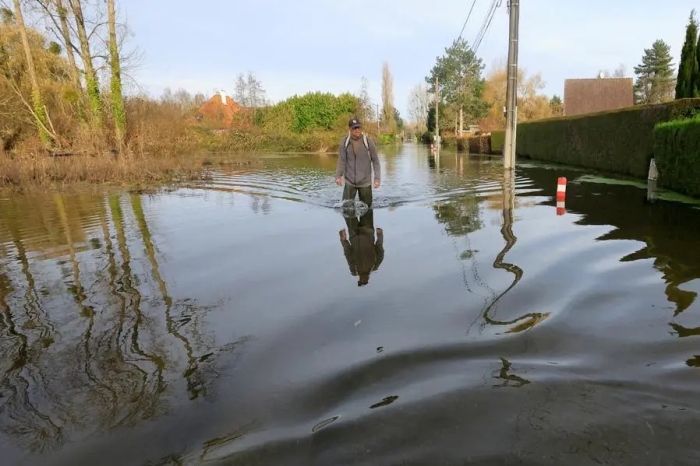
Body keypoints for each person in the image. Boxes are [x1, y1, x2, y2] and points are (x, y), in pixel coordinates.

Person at [335, 118, 381, 208]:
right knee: (346, 208)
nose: (357, 130)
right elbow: (341, 161)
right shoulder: (344, 143)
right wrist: (338, 176)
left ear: (361, 128)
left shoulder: (368, 142)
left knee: (367, 209)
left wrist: (377, 179)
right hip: (349, 182)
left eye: (358, 128)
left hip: (365, 183)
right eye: (354, 128)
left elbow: (375, 162)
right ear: (350, 129)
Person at [339, 209, 384, 286]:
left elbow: (348, 253)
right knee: (367, 207)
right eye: (365, 281)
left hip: (353, 233)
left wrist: (343, 240)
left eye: (361, 281)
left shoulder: (354, 270)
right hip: (368, 231)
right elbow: (380, 250)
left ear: (359, 280)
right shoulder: (374, 266)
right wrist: (380, 236)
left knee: (348, 209)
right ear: (368, 280)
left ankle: (348, 200)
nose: (364, 279)